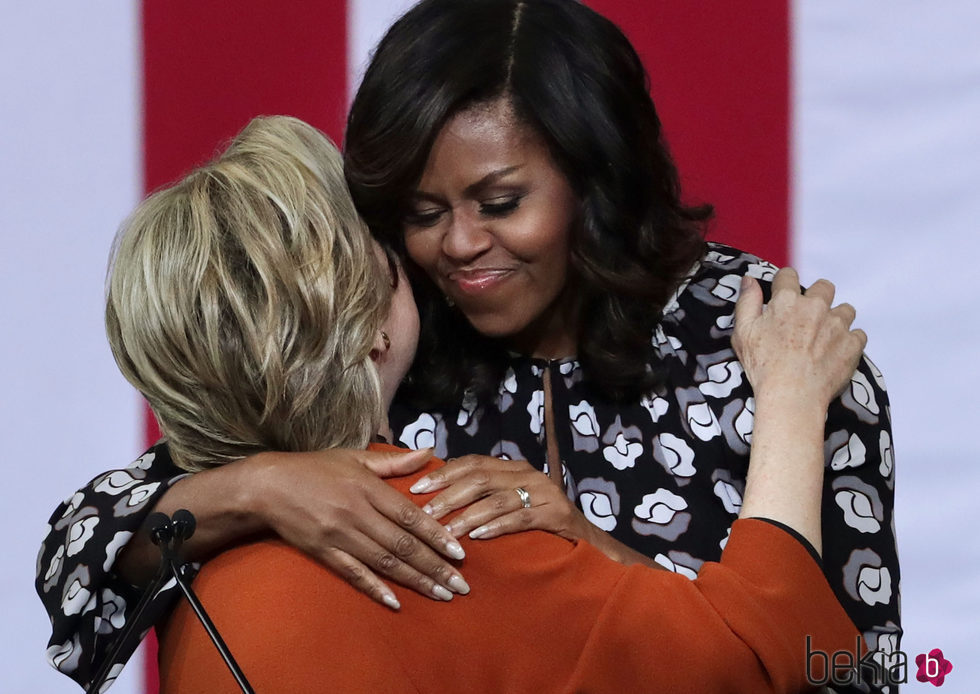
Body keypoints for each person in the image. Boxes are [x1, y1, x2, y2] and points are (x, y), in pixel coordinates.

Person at [36, 0, 899, 690]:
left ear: (594, 179)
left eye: (498, 202)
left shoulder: (775, 354)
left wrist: (592, 553)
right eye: (419, 212)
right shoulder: (375, 343)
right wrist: (259, 485)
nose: (455, 246)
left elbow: (855, 671)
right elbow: (84, 560)